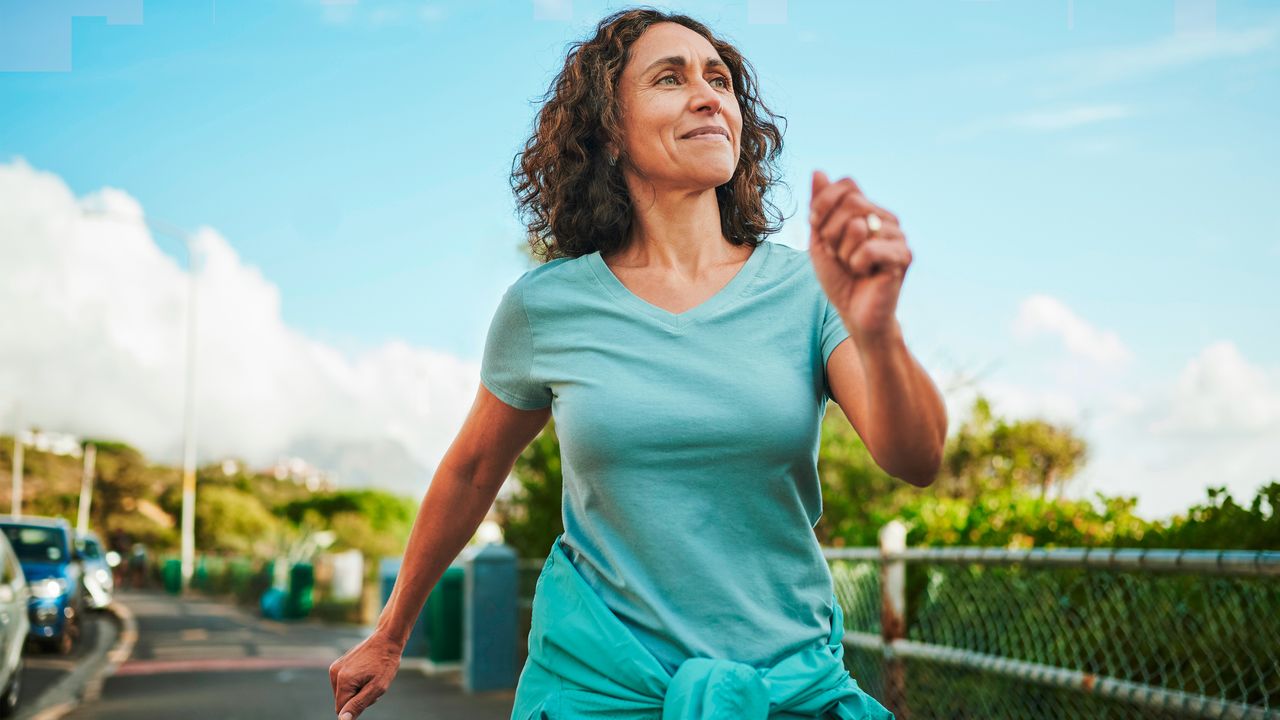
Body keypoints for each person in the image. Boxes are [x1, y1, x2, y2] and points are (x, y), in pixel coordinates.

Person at [329, 7, 947, 720]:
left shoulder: (809, 288)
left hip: (786, 692)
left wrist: (879, 332)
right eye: (669, 78)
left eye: (719, 79)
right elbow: (471, 471)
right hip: (596, 691)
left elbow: (916, 457)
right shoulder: (545, 307)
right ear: (611, 130)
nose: (709, 94)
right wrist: (390, 632)